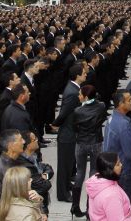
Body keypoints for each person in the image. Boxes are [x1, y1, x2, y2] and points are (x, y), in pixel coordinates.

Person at [72, 85, 108, 217]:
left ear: (86, 96)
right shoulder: (101, 107)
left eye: (80, 94)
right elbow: (102, 119)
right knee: (94, 173)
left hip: (81, 142)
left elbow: (74, 127)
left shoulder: (77, 111)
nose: (78, 96)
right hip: (95, 142)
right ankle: (89, 208)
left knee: (79, 172)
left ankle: (75, 205)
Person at [52, 63, 84, 202]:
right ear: (77, 75)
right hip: (67, 133)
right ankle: (62, 193)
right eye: (83, 73)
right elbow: (64, 112)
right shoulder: (72, 92)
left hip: (71, 131)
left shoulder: (74, 88)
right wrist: (55, 124)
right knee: (64, 165)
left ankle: (66, 185)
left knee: (69, 163)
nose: (85, 74)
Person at [103, 89, 131, 201]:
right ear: (121, 104)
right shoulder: (124, 124)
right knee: (124, 206)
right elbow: (130, 153)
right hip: (124, 172)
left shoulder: (111, 119)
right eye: (129, 100)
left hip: (113, 169)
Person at [86, 151, 131, 221]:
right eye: (118, 164)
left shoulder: (97, 181)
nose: (121, 165)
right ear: (109, 170)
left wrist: (130, 210)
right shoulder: (111, 195)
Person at [0, 129, 25, 221]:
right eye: (20, 139)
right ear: (11, 146)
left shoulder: (10, 162)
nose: (24, 141)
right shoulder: (5, 169)